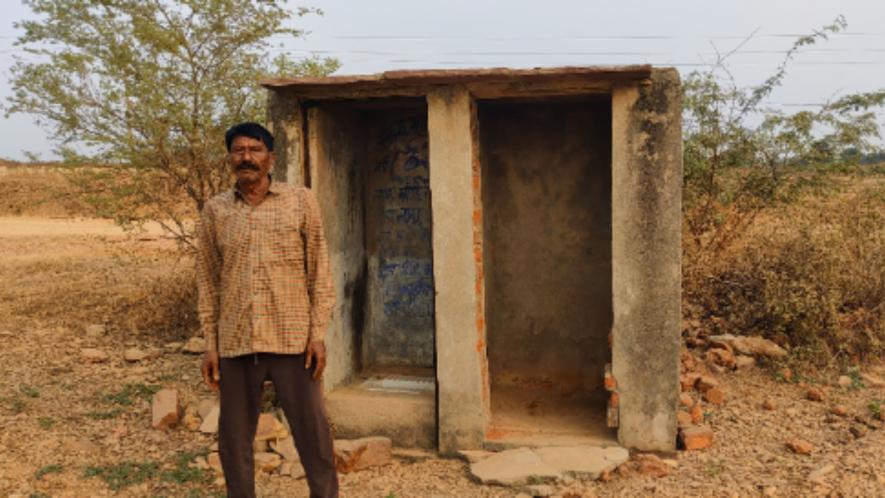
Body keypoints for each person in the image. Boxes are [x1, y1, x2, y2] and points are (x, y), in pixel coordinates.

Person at [195, 122, 338, 498]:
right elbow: (209, 281)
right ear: (230, 159)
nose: (246, 157)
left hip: (293, 339)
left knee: (314, 435)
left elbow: (319, 269)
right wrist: (211, 344)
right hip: (237, 340)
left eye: (255, 150)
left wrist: (318, 334)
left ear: (270, 157)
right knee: (233, 440)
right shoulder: (215, 211)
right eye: (239, 150)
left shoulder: (300, 200)